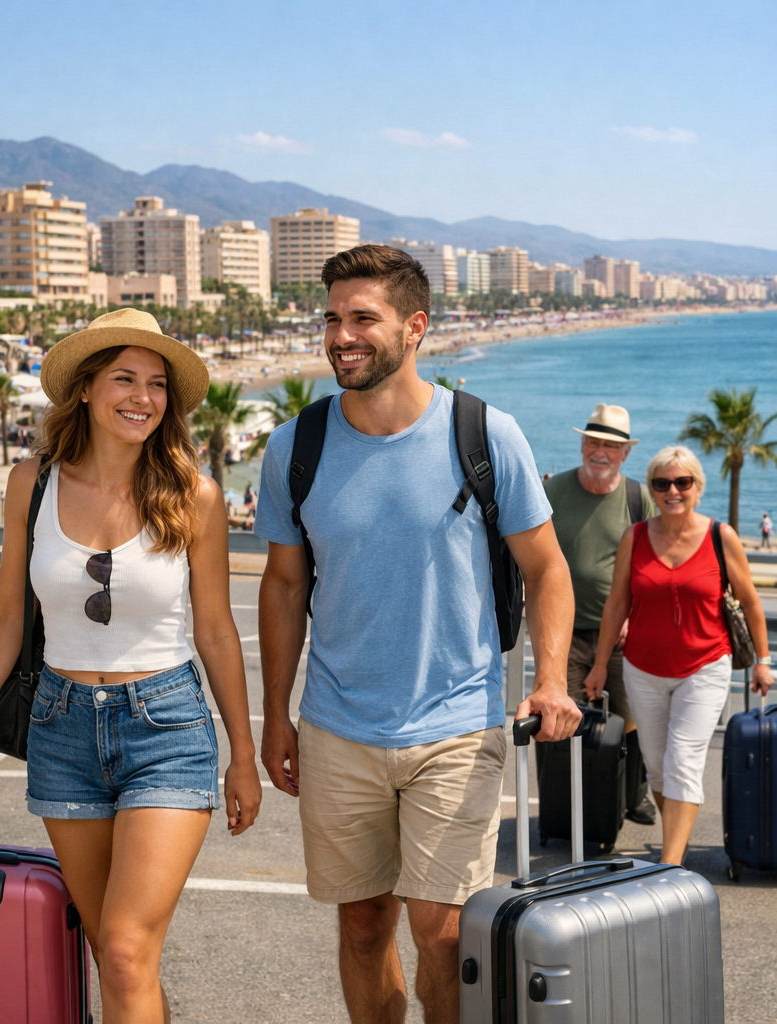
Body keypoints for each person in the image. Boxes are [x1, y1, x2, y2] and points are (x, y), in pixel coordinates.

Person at [255, 245, 581, 1024]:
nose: (342, 335)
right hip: (337, 726)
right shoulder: (293, 447)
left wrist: (552, 677)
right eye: (332, 318)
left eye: (363, 317)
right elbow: (285, 583)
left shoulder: (484, 434)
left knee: (440, 935)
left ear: (416, 326)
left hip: (457, 726)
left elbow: (548, 570)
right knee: (364, 928)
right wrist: (275, 715)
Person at [0, 309, 261, 1023]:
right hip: (61, 728)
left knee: (128, 946)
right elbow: (9, 618)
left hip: (166, 726)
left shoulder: (191, 493)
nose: (143, 397)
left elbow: (217, 631)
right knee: (116, 956)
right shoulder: (32, 484)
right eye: (124, 379)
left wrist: (243, 754)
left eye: (157, 384)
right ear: (84, 389)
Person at [585, 446, 773, 866]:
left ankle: (668, 871)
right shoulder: (634, 537)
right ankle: (675, 849)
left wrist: (763, 660)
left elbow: (752, 602)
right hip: (642, 668)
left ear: (697, 488)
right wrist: (599, 665)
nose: (672, 490)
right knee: (656, 766)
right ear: (651, 488)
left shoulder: (718, 537)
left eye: (682, 482)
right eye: (662, 483)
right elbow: (616, 605)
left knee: (683, 761)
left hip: (704, 666)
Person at [543, 404, 657, 825]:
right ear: (582, 443)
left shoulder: (636, 497)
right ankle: (567, 801)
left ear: (625, 453)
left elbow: (651, 562)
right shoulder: (555, 491)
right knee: (564, 715)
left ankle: (633, 797)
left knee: (629, 716)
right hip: (564, 630)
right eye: (593, 442)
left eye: (611, 446)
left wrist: (633, 616)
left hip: (622, 633)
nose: (600, 452)